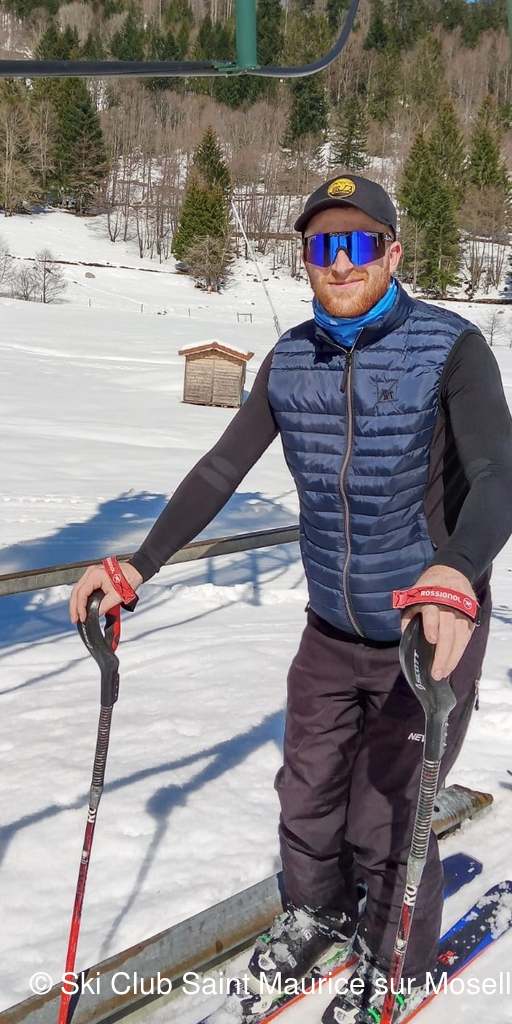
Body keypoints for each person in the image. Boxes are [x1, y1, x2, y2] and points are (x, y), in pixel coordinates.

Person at [69, 173, 512, 1023]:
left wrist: (458, 569)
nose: (339, 263)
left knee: (389, 813)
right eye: (321, 246)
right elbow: (220, 469)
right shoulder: (292, 358)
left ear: (393, 253)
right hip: (330, 629)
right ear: (304, 258)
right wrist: (139, 565)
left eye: (358, 244)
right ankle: (318, 914)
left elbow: (497, 473)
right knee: (306, 794)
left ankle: (396, 959)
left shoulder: (452, 349)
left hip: (427, 632)